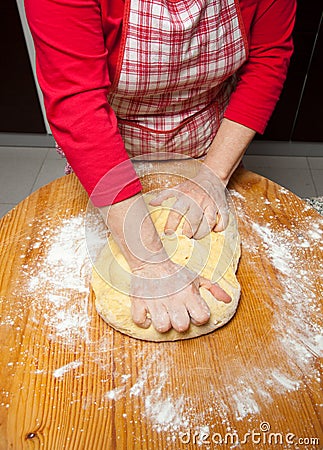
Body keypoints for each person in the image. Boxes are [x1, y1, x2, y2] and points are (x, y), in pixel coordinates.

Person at [25, 0, 296, 334]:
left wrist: (213, 175)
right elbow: (77, 103)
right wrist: (150, 260)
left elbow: (268, 59)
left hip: (211, 137)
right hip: (109, 146)